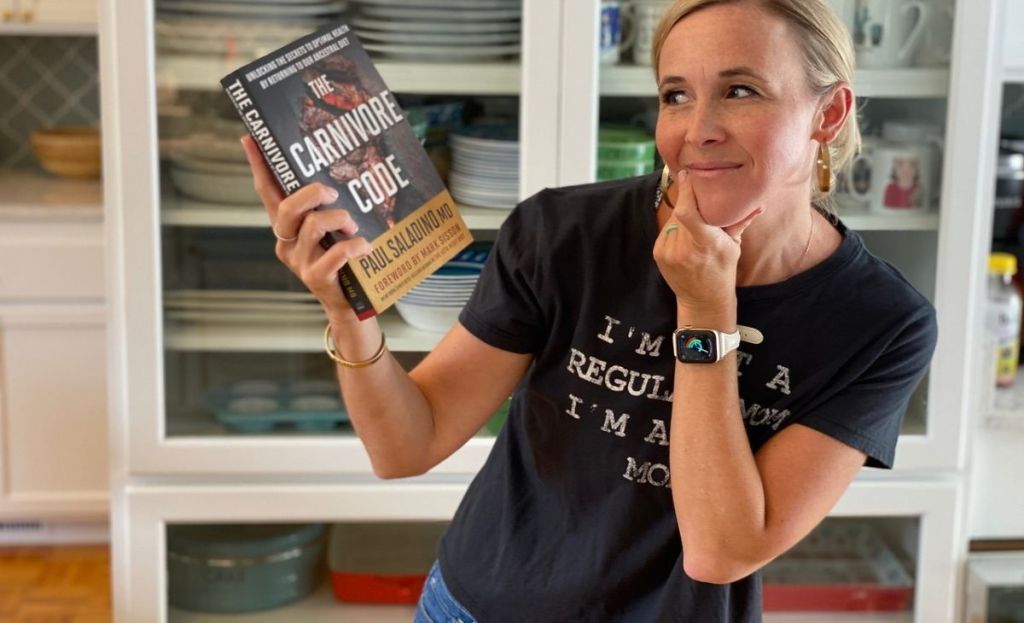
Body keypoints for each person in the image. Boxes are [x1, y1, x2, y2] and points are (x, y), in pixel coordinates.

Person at [241, 0, 937, 620]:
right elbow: (407, 444)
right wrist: (347, 309)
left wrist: (705, 314)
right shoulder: (563, 234)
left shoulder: (880, 323)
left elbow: (723, 550)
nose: (698, 129)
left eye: (741, 90)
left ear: (829, 113)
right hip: (473, 606)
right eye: (675, 95)